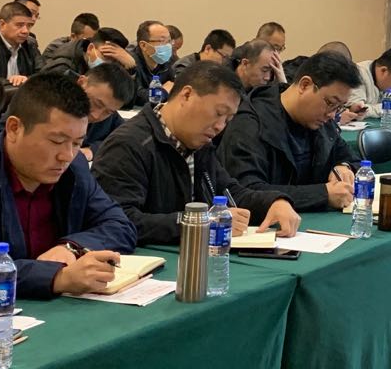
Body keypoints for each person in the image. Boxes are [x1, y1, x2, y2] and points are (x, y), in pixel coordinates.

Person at [0, 73, 137, 299]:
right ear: (14, 128)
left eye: (77, 143)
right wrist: (56, 278)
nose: (66, 155)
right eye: (56, 141)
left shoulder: (74, 167)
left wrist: (70, 247)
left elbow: (119, 225)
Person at [95, 61, 300, 245]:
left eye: (228, 120)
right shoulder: (129, 144)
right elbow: (121, 219)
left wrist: (274, 202)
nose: (220, 126)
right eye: (219, 113)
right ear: (187, 95)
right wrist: (199, 223)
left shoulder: (200, 143)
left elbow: (230, 193)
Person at [218, 51, 364, 212]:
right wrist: (322, 194)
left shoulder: (321, 122)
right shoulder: (250, 124)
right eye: (330, 103)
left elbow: (350, 157)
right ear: (305, 85)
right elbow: (247, 191)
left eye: (339, 107)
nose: (332, 115)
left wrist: (343, 166)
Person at [78, 58, 137, 158]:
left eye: (108, 112)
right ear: (81, 83)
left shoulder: (110, 112)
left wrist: (93, 149)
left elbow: (128, 139)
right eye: (97, 104)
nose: (96, 116)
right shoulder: (55, 107)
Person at [43, 25, 135, 77]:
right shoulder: (63, 68)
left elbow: (122, 100)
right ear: (90, 48)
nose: (109, 64)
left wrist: (131, 69)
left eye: (115, 60)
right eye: (106, 56)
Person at [351, 46, 391, 120]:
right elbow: (356, 111)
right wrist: (389, 109)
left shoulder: (385, 82)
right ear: (383, 70)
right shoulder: (357, 74)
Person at [129, 20, 175, 105]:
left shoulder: (169, 61)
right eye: (162, 41)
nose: (168, 46)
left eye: (169, 41)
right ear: (143, 45)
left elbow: (175, 89)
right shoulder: (130, 62)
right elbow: (136, 97)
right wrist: (163, 91)